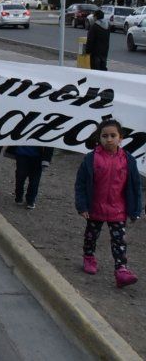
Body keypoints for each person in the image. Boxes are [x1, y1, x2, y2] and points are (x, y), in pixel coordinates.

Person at [75, 119, 142, 287]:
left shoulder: (128, 160)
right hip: (95, 208)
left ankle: (121, 271)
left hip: (118, 210)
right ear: (99, 138)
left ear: (120, 138)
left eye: (113, 135)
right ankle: (89, 257)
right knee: (91, 236)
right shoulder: (91, 159)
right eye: (105, 136)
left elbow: (135, 186)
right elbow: (81, 183)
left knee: (119, 241)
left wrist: (135, 210)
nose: (109, 139)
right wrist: (82, 206)